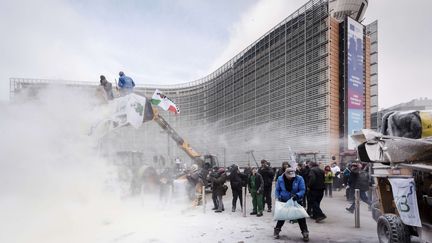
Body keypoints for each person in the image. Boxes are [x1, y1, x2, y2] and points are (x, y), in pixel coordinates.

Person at [274, 168, 309, 241]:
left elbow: (302, 189)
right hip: (284, 200)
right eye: (289, 175)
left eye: (292, 175)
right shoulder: (280, 179)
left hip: (296, 200)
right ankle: (277, 230)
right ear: (285, 174)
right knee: (282, 216)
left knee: (300, 216)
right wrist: (278, 197)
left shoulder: (299, 178)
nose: (291, 177)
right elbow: (277, 189)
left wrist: (297, 195)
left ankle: (305, 232)